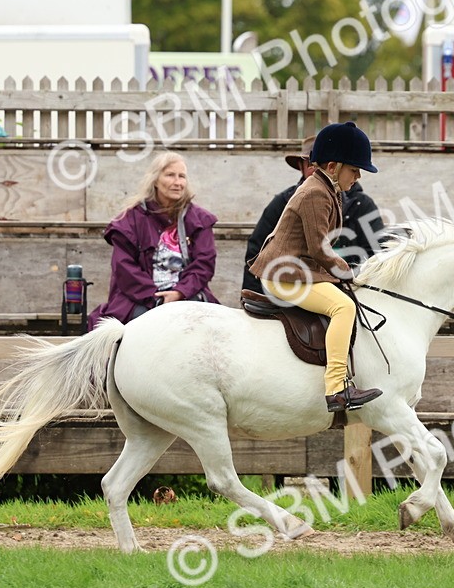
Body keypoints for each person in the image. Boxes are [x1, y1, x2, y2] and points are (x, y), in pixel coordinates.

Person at [248, 122, 383, 413]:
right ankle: (337, 389)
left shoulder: (326, 188)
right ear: (333, 167)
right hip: (284, 276)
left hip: (297, 270)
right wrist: (348, 272)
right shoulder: (316, 194)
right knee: (343, 308)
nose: (358, 176)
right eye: (354, 170)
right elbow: (319, 249)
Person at [88, 152, 219, 330]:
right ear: (155, 180)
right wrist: (155, 298)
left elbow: (204, 264)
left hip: (188, 295)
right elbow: (124, 268)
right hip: (139, 298)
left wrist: (180, 292)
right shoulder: (130, 219)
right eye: (170, 175)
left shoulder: (199, 220)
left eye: (182, 176)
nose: (178, 182)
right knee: (139, 327)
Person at [242, 135, 384, 295]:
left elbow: (377, 252)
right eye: (312, 164)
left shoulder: (363, 206)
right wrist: (255, 295)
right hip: (291, 282)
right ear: (301, 166)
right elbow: (257, 249)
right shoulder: (283, 202)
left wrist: (351, 279)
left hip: (350, 287)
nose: (319, 169)